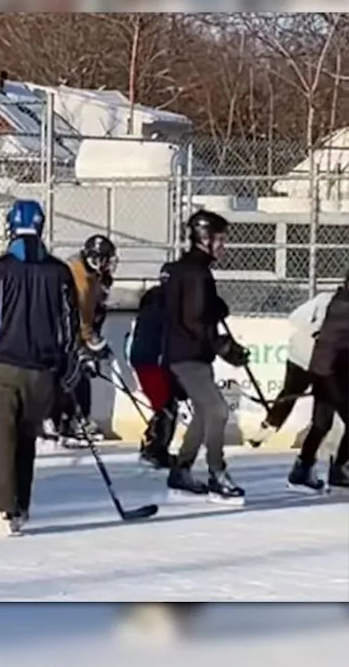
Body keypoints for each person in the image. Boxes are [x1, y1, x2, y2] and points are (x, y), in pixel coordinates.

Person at [0, 199, 81, 536]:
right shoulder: (60, 271)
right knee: (25, 441)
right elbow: (70, 327)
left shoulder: (2, 268)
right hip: (41, 372)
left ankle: (1, 510)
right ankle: (19, 507)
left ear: (11, 227)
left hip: (2, 368)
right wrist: (69, 364)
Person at [163, 209, 250, 505]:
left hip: (188, 353)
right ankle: (217, 474)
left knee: (203, 413)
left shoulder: (185, 269)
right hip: (188, 355)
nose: (223, 246)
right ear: (204, 239)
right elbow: (194, 320)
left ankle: (181, 471)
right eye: (220, 240)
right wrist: (223, 346)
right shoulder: (198, 273)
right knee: (218, 411)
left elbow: (196, 312)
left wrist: (215, 311)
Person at [248, 290, 335, 452]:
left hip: (323, 361)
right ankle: (269, 426)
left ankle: (311, 444)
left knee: (322, 402)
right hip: (303, 355)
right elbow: (295, 317)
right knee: (291, 393)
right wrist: (314, 329)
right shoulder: (324, 299)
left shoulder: (327, 299)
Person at [53, 234, 117, 447]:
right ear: (96, 259)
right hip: (65, 334)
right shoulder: (80, 278)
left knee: (80, 373)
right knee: (75, 374)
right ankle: (70, 420)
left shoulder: (91, 274)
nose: (109, 264)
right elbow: (79, 314)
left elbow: (95, 308)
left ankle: (73, 419)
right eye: (106, 259)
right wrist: (92, 341)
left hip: (74, 333)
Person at [294, 276, 349, 492]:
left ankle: (303, 468)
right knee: (321, 423)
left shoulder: (340, 300)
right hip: (332, 374)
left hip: (327, 371)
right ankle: (338, 468)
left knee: (321, 423)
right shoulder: (344, 306)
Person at [128, 261, 180, 469]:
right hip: (153, 359)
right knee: (166, 406)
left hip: (141, 357)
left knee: (165, 404)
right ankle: (154, 450)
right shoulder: (171, 302)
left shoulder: (152, 296)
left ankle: (155, 447)